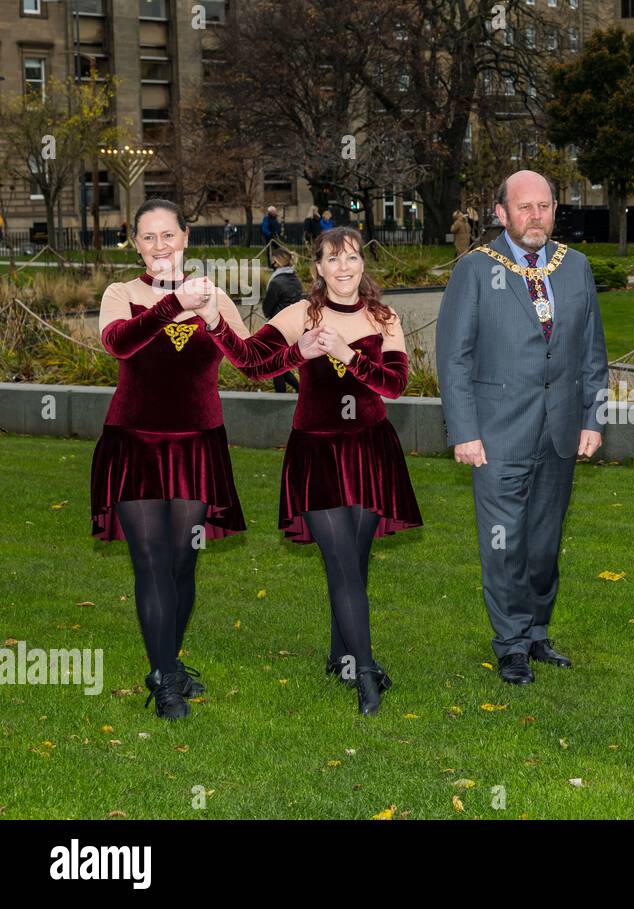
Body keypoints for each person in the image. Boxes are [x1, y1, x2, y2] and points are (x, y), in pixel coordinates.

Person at [200, 226, 421, 715]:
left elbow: (396, 386)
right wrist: (226, 326)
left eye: (353, 258)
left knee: (353, 566)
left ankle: (341, 655)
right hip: (316, 453)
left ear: (363, 263)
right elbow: (251, 363)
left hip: (370, 452)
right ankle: (366, 671)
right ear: (317, 268)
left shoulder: (384, 317)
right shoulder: (302, 313)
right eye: (333, 259)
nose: (344, 267)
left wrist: (344, 354)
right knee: (341, 564)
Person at [436, 170, 608, 685]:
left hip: (560, 430)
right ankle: (509, 642)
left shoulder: (574, 267)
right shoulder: (474, 270)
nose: (537, 216)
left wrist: (593, 418)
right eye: (525, 207)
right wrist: (463, 430)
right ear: (501, 214)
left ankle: (536, 633)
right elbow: (454, 358)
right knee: (504, 542)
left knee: (543, 542)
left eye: (545, 206)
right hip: (495, 435)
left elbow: (592, 352)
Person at [91, 199, 250, 720]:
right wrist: (171, 303)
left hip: (197, 445)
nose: (160, 246)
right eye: (148, 237)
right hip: (134, 443)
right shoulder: (122, 294)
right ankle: (164, 683)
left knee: (183, 564)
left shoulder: (214, 294)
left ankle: (169, 663)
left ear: (186, 237)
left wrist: (213, 317)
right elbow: (118, 343)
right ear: (136, 244)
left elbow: (251, 361)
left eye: (168, 235)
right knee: (152, 562)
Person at [261, 247, 303, 393]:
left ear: (275, 261)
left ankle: (281, 400)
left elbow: (266, 309)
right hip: (292, 328)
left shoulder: (276, 283)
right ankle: (299, 390)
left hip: (277, 328)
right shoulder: (296, 280)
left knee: (275, 366)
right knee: (278, 366)